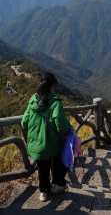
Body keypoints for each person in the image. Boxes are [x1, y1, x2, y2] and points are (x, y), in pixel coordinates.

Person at [21, 72, 71, 202]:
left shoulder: (33, 100)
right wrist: (68, 131)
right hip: (51, 142)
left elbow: (24, 121)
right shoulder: (55, 102)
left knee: (42, 169)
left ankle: (44, 192)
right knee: (59, 162)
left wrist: (33, 135)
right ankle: (57, 185)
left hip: (35, 144)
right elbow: (60, 124)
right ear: (52, 86)